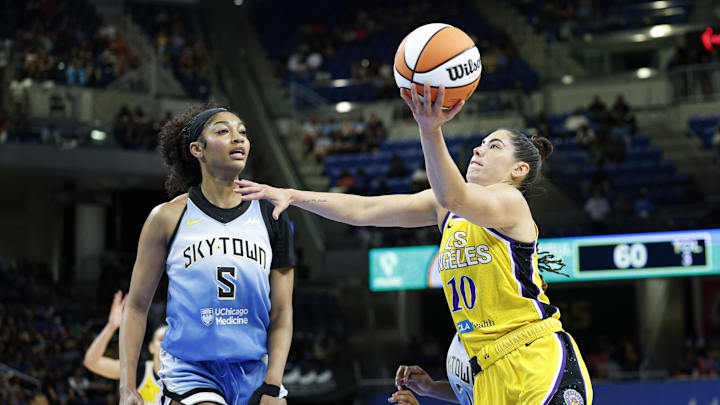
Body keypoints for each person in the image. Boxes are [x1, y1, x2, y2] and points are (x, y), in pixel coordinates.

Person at [234, 84, 592, 404]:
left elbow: (453, 195)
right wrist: (293, 194)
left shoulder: (510, 202)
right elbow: (365, 209)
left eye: (494, 145)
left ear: (519, 171)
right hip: (485, 369)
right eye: (480, 143)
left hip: (537, 358)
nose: (479, 150)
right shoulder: (446, 208)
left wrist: (429, 128)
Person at [119, 105, 295, 405]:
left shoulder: (272, 215)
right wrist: (127, 387)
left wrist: (273, 385)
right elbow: (136, 306)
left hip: (254, 371)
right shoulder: (167, 217)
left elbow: (281, 313)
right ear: (197, 149)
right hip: (190, 371)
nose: (238, 138)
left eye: (242, 132)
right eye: (223, 131)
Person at [83, 290, 166, 404]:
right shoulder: (137, 372)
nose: (166, 344)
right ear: (151, 347)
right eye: (161, 339)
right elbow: (92, 361)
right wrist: (111, 326)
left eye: (170, 340)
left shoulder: (185, 375)